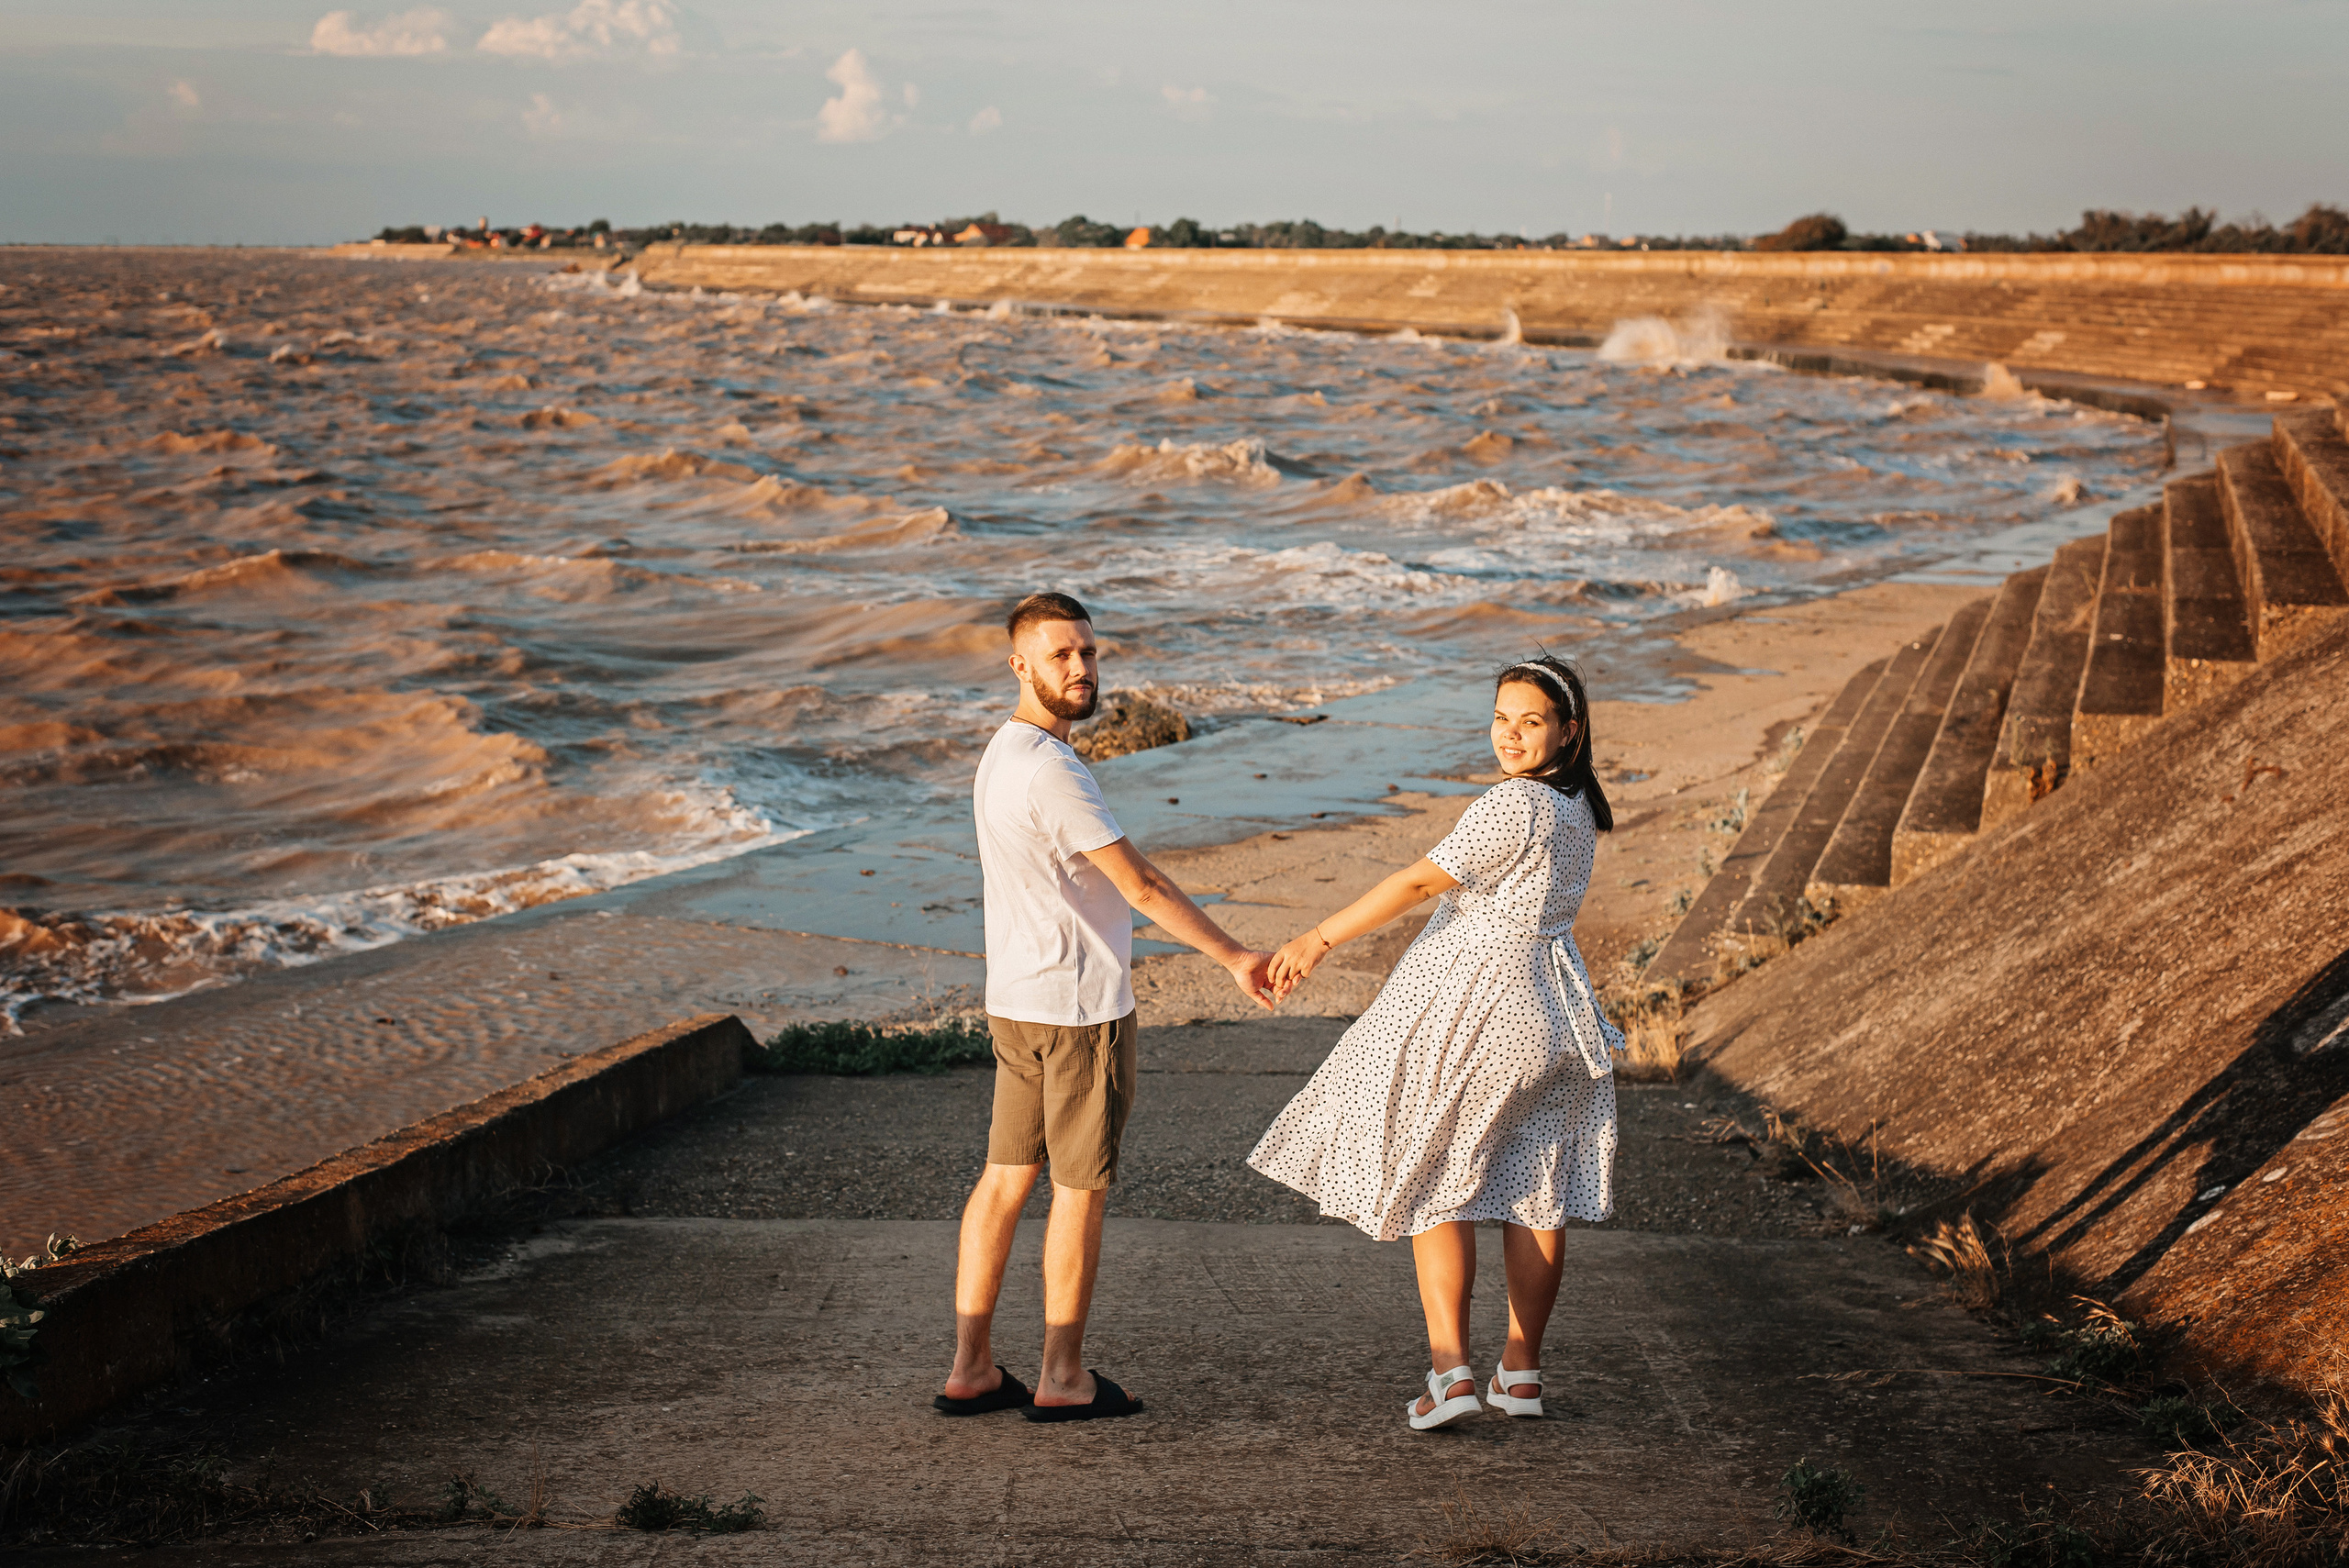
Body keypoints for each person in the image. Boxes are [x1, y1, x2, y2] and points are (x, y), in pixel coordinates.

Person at [1250, 654, 1622, 1430]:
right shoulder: (1579, 805)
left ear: (1569, 729)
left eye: (1530, 720)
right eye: (1500, 718)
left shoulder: (1513, 804)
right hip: (1555, 1011)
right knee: (1537, 1189)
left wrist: (1317, 937)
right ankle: (1521, 1373)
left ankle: (1450, 1370)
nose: (1510, 735)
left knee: (1433, 1179)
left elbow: (1421, 882)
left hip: (1488, 1005)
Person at [937, 591, 1277, 1423]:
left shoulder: (1002, 752)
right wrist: (1235, 955)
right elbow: (1143, 883)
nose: (1083, 668)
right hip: (1079, 1009)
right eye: (1062, 655)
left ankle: (971, 1367)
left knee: (1006, 1179)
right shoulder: (1053, 769)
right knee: (1079, 1189)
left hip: (1016, 1000)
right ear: (1020, 665)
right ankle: (1062, 1376)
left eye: (1089, 653)